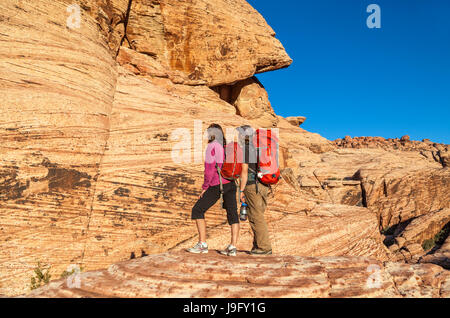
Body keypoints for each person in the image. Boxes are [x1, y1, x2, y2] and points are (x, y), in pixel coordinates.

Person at [187, 124, 240, 256]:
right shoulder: (224, 146)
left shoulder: (211, 146)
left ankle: (202, 244)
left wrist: (205, 187)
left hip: (217, 184)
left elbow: (209, 170)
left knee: (198, 209)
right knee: (233, 214)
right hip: (231, 183)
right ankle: (233, 247)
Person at [237, 125, 272, 255]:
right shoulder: (259, 148)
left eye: (240, 134)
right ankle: (257, 246)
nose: (238, 136)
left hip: (252, 186)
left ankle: (264, 248)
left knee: (256, 217)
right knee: (258, 216)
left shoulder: (246, 149)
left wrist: (241, 191)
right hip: (264, 185)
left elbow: (244, 172)